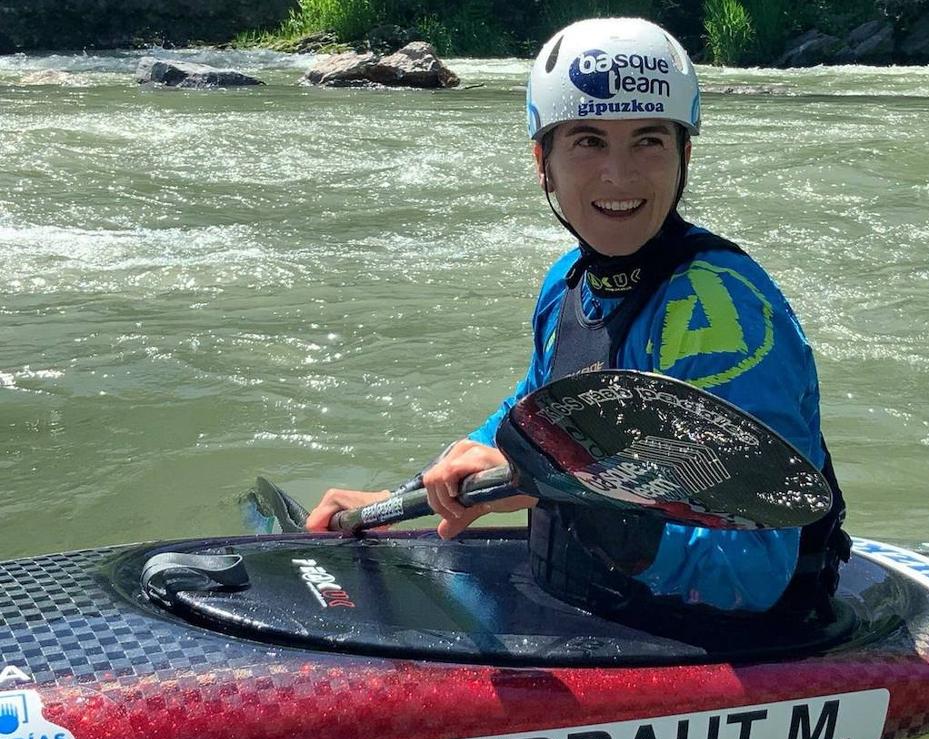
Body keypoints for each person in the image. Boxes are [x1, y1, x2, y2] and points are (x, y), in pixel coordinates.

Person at [308, 18, 848, 620]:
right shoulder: (569, 279)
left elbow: (753, 570)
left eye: (649, 141)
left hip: (719, 642)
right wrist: (408, 495)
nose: (619, 175)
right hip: (591, 607)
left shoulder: (721, 317)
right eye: (588, 141)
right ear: (543, 160)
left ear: (683, 155)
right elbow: (536, 411)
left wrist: (554, 485)